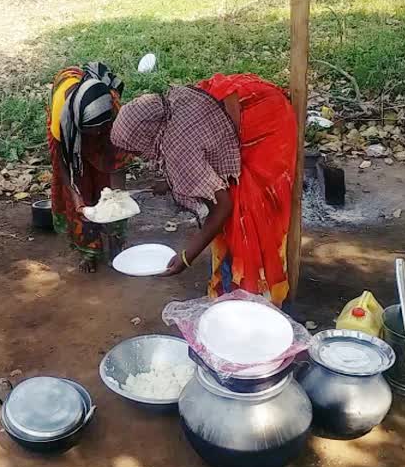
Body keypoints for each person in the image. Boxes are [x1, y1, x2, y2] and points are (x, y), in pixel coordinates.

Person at [111, 74, 296, 306]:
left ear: (147, 134)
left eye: (136, 149)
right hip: (244, 97)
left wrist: (187, 257)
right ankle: (232, 286)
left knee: (245, 215)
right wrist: (171, 180)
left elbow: (223, 205)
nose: (139, 155)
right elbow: (201, 151)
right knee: (229, 209)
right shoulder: (168, 111)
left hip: (264, 119)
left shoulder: (180, 148)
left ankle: (257, 295)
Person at [47, 63, 130, 273]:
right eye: (91, 132)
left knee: (109, 189)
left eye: (101, 130)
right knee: (81, 193)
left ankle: (115, 241)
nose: (96, 136)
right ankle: (89, 250)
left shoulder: (114, 110)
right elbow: (64, 162)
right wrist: (76, 196)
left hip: (94, 119)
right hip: (70, 135)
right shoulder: (62, 119)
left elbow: (118, 161)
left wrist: (117, 198)